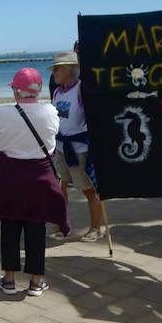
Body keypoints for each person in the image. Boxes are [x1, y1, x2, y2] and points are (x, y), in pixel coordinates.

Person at [0, 68, 68, 296]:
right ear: (38, 89)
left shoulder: (2, 112)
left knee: (10, 228)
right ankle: (36, 281)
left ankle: (9, 280)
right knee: (36, 229)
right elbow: (52, 140)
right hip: (39, 179)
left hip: (10, 177)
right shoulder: (51, 111)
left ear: (16, 90)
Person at [50, 52, 105, 241]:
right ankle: (63, 226)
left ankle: (96, 228)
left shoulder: (81, 89)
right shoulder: (57, 91)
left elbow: (95, 117)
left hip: (79, 149)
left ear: (69, 69)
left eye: (57, 69)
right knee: (60, 188)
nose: (53, 72)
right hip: (60, 147)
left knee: (89, 189)